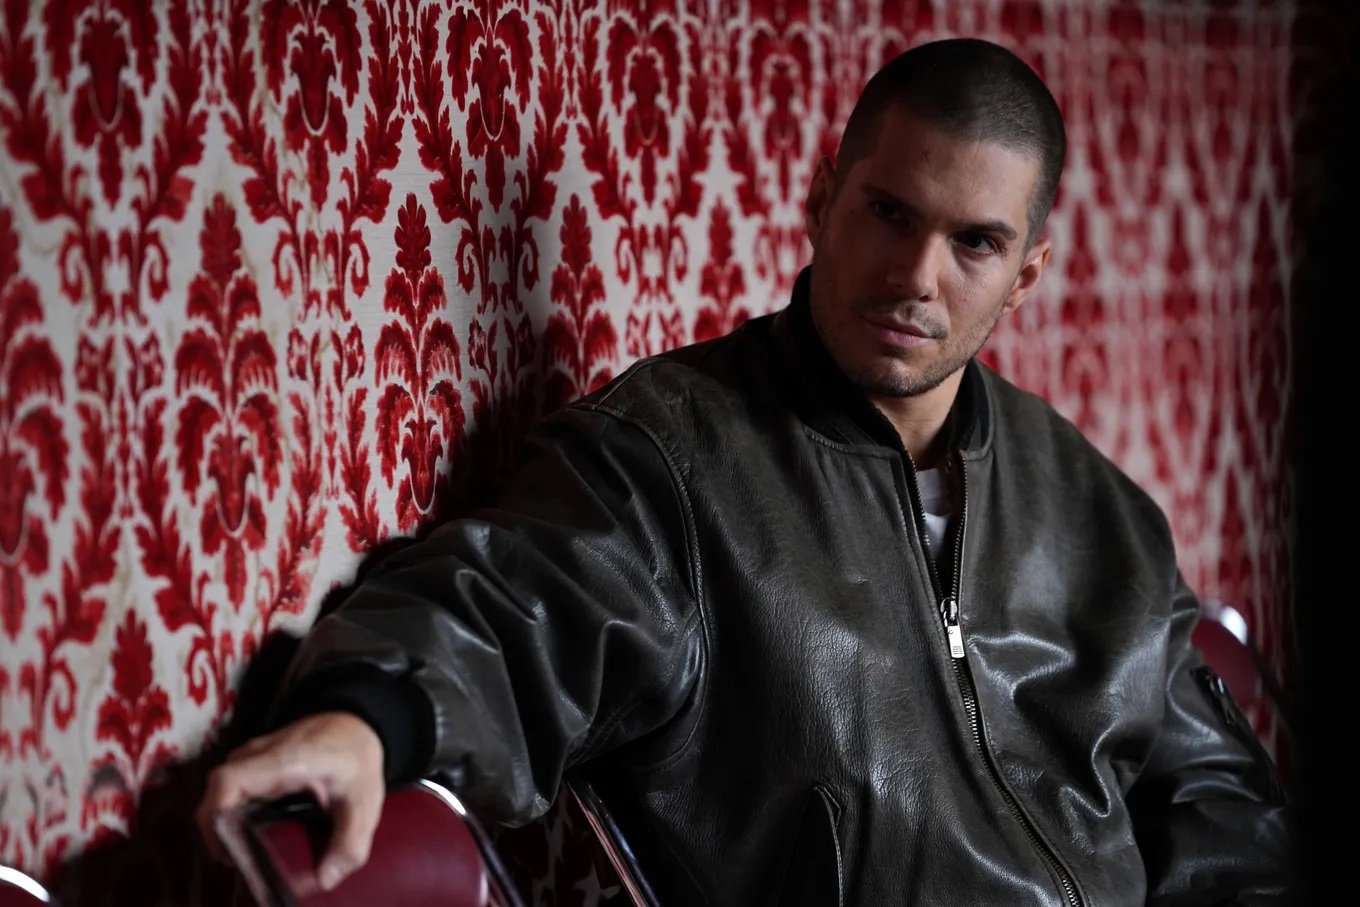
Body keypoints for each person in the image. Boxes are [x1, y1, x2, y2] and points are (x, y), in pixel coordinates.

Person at [196, 38, 1294, 905]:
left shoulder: (1097, 511)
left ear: (1025, 273)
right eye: (889, 213)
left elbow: (1218, 802)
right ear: (824, 199)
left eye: (974, 243)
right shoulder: (673, 461)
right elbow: (509, 609)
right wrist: (366, 718)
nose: (917, 276)